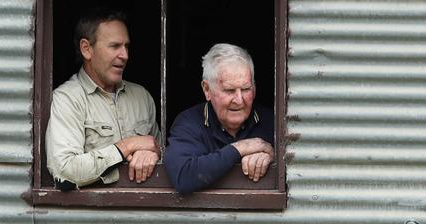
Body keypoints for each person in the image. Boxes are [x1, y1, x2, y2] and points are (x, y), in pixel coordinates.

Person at [46, 10, 162, 189]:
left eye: (126, 46)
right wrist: (126, 146)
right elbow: (64, 171)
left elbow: (163, 156)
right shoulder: (67, 99)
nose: (125, 55)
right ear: (86, 49)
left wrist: (155, 154)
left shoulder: (142, 97)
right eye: (115, 46)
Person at [163, 44, 274, 194]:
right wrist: (240, 148)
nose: (239, 100)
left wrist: (273, 157)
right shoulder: (188, 123)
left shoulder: (273, 122)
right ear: (207, 89)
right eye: (229, 90)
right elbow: (183, 176)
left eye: (246, 89)